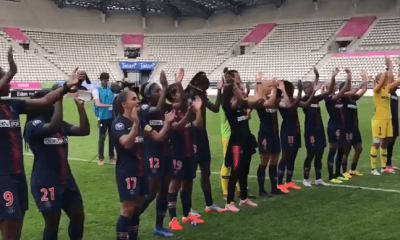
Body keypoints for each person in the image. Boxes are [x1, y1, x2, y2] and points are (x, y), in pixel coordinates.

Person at [0, 46, 80, 240]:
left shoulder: (13, 105)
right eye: (6, 80)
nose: (11, 83)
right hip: (2, 175)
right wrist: (11, 70)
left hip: (18, 174)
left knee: (16, 224)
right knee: (9, 226)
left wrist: (64, 88)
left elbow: (45, 101)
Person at [24, 88, 90, 240]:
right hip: (46, 180)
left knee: (78, 216)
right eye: (50, 100)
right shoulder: (34, 124)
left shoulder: (60, 124)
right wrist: (59, 99)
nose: (53, 103)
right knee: (52, 223)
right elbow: (53, 127)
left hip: (66, 179)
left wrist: (81, 109)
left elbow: (83, 131)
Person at [112, 89, 175, 240]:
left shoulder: (141, 122)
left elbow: (158, 137)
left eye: (137, 98)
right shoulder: (119, 124)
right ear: (124, 104)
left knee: (137, 207)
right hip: (126, 171)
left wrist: (167, 123)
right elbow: (126, 143)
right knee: (127, 209)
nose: (138, 100)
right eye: (134, 99)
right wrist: (135, 124)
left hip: (141, 170)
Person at [137, 71, 174, 237]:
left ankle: (159, 226)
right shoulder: (145, 109)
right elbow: (156, 109)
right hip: (152, 154)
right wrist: (165, 86)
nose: (161, 93)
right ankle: (131, 218)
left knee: (164, 191)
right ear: (147, 95)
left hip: (166, 152)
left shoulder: (162, 108)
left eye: (161, 90)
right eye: (157, 91)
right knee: (151, 192)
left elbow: (176, 104)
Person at [184, 71, 225, 214]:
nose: (206, 90)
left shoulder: (200, 96)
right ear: (197, 85)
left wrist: (219, 90)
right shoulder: (188, 96)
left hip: (202, 137)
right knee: (190, 175)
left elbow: (215, 108)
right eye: (204, 87)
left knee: (205, 171)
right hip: (191, 137)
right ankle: (187, 208)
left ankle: (209, 204)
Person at [166, 80, 204, 230]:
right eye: (178, 93)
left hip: (189, 152)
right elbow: (175, 127)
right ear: (172, 96)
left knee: (188, 182)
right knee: (174, 184)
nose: (182, 96)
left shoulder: (184, 110)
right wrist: (189, 113)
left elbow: (198, 125)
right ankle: (172, 219)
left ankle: (187, 214)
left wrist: (198, 110)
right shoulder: (169, 111)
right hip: (176, 153)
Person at [223, 69, 258, 212]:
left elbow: (245, 102)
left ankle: (244, 199)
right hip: (236, 143)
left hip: (246, 140)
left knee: (244, 170)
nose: (240, 79)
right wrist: (234, 84)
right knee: (236, 171)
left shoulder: (241, 103)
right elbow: (239, 99)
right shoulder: (229, 104)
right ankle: (229, 202)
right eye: (237, 77)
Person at [277, 80, 318, 192]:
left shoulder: (293, 100)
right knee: (285, 156)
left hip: (296, 130)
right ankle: (279, 183)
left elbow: (305, 104)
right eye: (291, 88)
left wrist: (313, 93)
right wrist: (298, 92)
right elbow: (290, 107)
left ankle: (288, 181)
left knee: (293, 156)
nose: (293, 90)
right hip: (287, 131)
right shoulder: (280, 100)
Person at [301, 67, 336, 187]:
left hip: (319, 129)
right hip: (310, 131)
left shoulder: (316, 98)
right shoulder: (303, 100)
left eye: (308, 87)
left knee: (320, 153)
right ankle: (305, 178)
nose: (307, 90)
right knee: (311, 153)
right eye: (305, 88)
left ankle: (318, 178)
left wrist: (332, 77)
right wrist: (315, 91)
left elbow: (329, 91)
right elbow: (306, 103)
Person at [370, 58, 400, 175]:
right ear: (378, 80)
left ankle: (383, 167)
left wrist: (395, 67)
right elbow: (382, 81)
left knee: (384, 144)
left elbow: (398, 80)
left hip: (388, 120)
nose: (387, 80)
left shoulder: (387, 89)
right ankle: (373, 169)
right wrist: (387, 69)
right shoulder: (377, 90)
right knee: (377, 143)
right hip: (379, 121)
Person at [324, 68, 351, 184]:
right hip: (334, 127)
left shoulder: (338, 98)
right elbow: (344, 89)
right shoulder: (329, 98)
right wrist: (335, 76)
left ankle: (338, 173)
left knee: (341, 149)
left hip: (341, 126)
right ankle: (331, 175)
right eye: (333, 85)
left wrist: (349, 77)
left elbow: (346, 88)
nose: (335, 86)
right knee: (333, 150)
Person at [340, 71, 369, 178]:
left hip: (355, 128)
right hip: (346, 128)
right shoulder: (342, 97)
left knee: (359, 148)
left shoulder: (353, 98)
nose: (351, 88)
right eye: (349, 87)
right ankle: (344, 171)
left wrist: (365, 80)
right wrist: (358, 86)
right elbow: (351, 92)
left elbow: (364, 90)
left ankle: (353, 169)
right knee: (346, 151)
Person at [93, 72, 115, 165]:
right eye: (105, 80)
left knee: (112, 137)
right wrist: (110, 105)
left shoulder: (111, 89)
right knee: (102, 138)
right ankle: (100, 158)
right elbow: (98, 104)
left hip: (112, 117)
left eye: (107, 80)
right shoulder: (96, 90)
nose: (106, 82)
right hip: (102, 117)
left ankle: (111, 156)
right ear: (101, 80)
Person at [387, 65, 400, 172]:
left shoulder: (394, 92)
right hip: (389, 120)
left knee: (393, 140)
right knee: (389, 141)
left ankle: (389, 163)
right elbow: (394, 82)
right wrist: (390, 67)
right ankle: (386, 164)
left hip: (395, 119)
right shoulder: (387, 91)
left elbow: (397, 83)